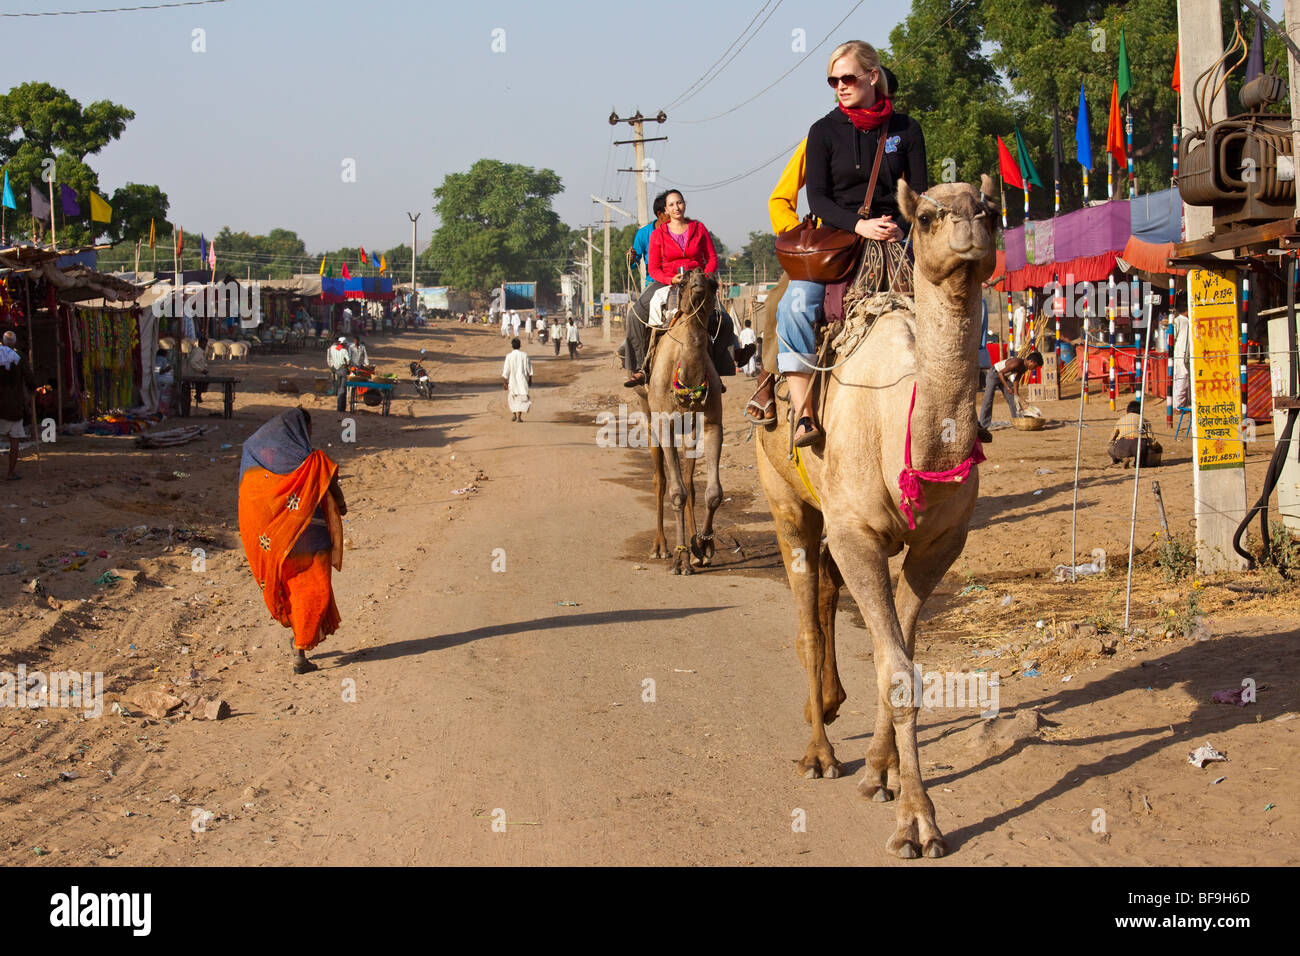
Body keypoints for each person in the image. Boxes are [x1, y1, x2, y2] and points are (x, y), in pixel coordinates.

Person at [776, 41, 927, 446]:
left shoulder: (906, 130)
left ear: (872, 76)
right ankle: (803, 412)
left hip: (897, 239)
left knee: (963, 300)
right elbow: (818, 198)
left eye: (848, 78)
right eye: (833, 80)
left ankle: (961, 408)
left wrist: (901, 225)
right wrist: (859, 227)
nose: (840, 86)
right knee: (794, 306)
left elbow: (919, 192)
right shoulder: (822, 131)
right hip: (840, 243)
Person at [746, 64, 901, 427]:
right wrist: (805, 243)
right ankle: (768, 381)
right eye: (838, 81)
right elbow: (780, 199)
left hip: (888, 239)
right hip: (831, 245)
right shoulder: (822, 137)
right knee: (780, 304)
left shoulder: (897, 137)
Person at [238, 408, 347, 675]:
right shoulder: (314, 461)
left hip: (280, 544)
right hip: (312, 541)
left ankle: (300, 641)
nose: (309, 434)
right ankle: (300, 647)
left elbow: (252, 500)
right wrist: (340, 508)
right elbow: (335, 492)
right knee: (311, 591)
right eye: (307, 430)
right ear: (297, 430)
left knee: (292, 590)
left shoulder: (260, 460)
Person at [623, 189, 727, 387]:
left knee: (725, 321)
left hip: (696, 280)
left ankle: (719, 369)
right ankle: (640, 368)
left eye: (679, 203)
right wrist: (671, 279)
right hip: (665, 282)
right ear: (665, 210)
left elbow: (712, 258)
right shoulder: (655, 235)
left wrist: (704, 276)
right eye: (671, 205)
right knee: (633, 316)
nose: (676, 207)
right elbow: (653, 268)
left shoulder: (699, 228)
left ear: (684, 204)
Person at [0, 330, 36, 481]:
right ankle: (10, 473)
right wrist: (33, 388)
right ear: (14, 342)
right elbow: (29, 378)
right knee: (14, 440)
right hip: (14, 405)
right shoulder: (19, 357)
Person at [979, 350, 1043, 427]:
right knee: (988, 399)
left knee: (1013, 399)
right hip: (994, 374)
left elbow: (1016, 381)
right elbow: (1000, 373)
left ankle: (1017, 421)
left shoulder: (1024, 367)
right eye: (1035, 366)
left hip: (1003, 377)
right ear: (1031, 361)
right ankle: (983, 424)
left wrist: (1016, 395)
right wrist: (1007, 387)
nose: (1034, 369)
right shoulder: (1017, 363)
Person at [626, 191, 670, 287]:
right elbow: (634, 263)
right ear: (660, 214)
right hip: (654, 282)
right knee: (641, 303)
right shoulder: (643, 234)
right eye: (670, 212)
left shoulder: (681, 231)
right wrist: (631, 258)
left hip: (678, 279)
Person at [1108, 399, 1154, 466]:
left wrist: (1113, 444)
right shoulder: (1144, 420)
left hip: (1122, 446)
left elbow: (1112, 438)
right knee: (1147, 449)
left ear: (1127, 411)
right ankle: (1137, 463)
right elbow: (1151, 439)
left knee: (1111, 450)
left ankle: (1121, 458)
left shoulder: (1120, 420)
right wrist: (1156, 447)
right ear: (1140, 411)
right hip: (1138, 447)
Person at [503, 337, 533, 423]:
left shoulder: (509, 356)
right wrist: (530, 379)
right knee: (521, 398)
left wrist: (505, 382)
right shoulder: (524, 355)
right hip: (522, 380)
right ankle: (519, 417)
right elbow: (529, 369)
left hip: (512, 381)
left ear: (512, 346)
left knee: (513, 397)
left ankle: (514, 414)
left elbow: (506, 370)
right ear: (520, 345)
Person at [326, 335, 350, 413]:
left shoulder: (333, 349)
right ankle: (341, 408)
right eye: (345, 344)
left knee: (339, 387)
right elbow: (348, 360)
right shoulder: (344, 351)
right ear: (343, 344)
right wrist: (346, 364)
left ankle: (339, 407)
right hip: (343, 370)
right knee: (342, 389)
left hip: (336, 370)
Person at [185, 335, 210, 404]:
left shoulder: (197, 351)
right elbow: (193, 362)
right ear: (201, 343)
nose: (205, 346)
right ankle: (198, 394)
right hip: (195, 373)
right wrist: (201, 370)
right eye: (204, 344)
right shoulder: (198, 352)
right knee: (206, 380)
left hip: (194, 373)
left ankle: (198, 394)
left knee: (204, 379)